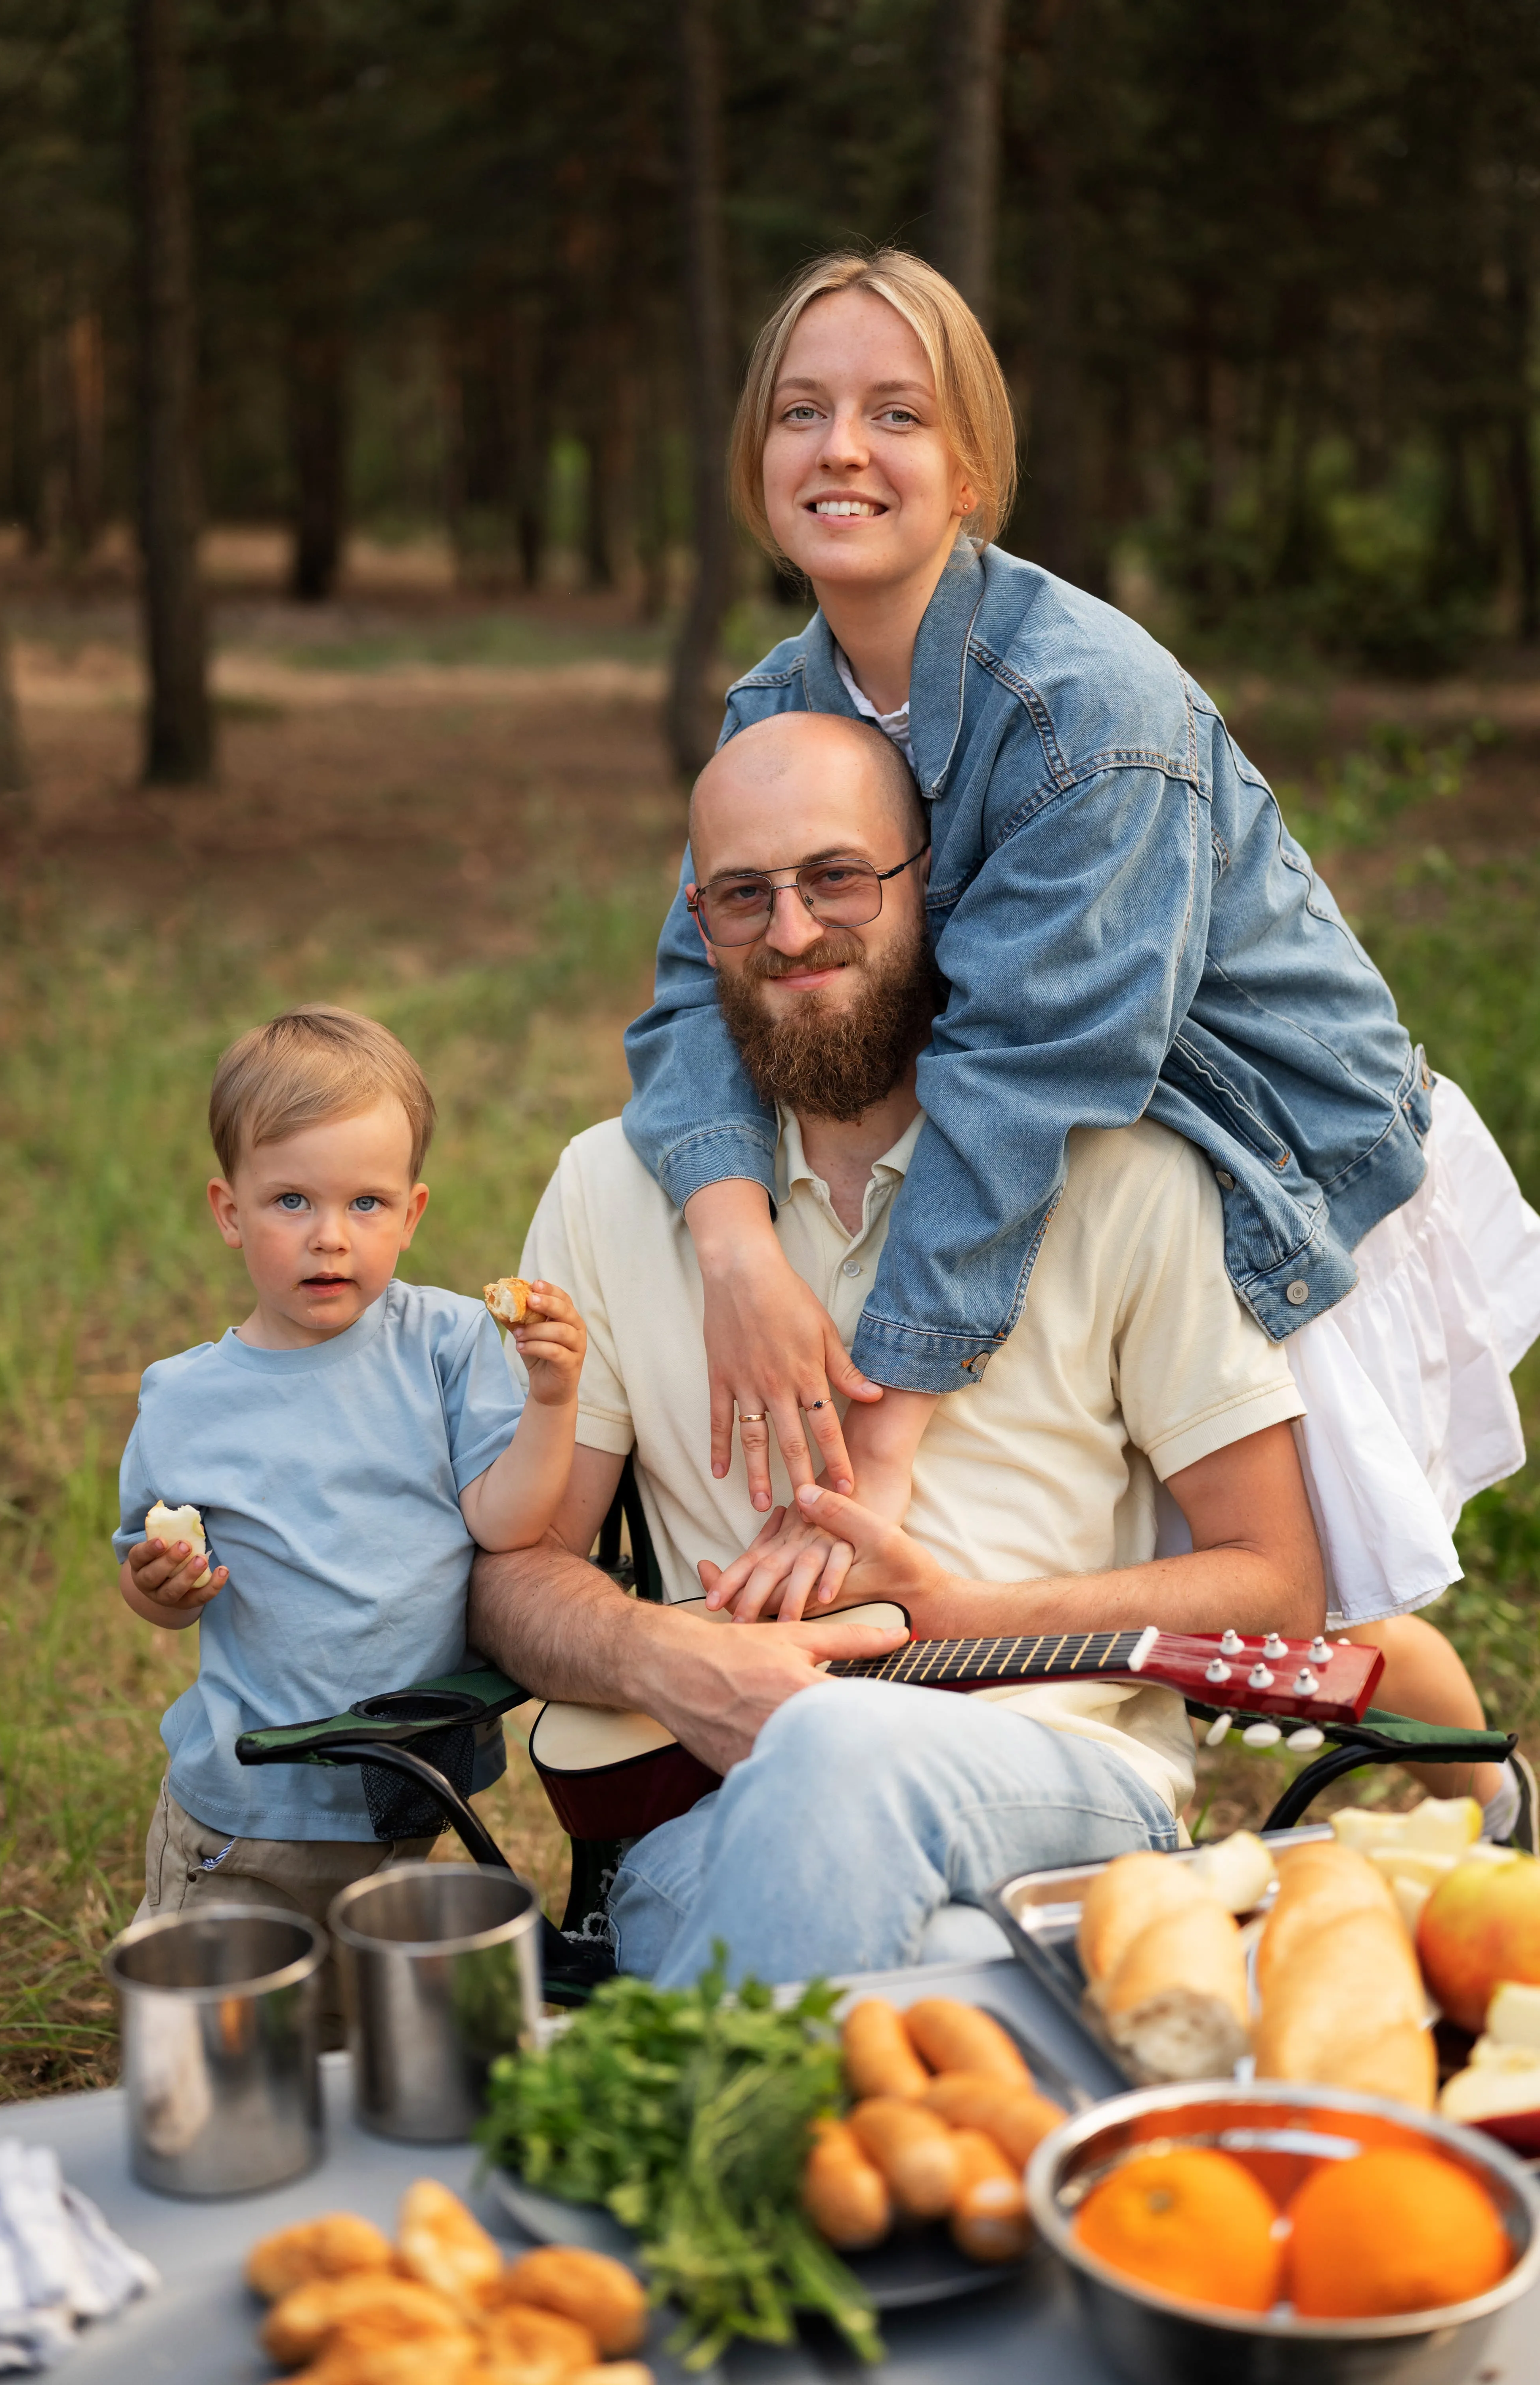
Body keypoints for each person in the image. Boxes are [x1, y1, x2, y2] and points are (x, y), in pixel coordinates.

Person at [622, 246, 1540, 1837]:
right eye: (800, 411)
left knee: (1280, 1608)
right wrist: (732, 1244)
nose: (841, 449)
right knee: (1096, 1542)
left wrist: (885, 1442)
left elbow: (1019, 1081)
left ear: (966, 465)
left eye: (894, 412)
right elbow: (686, 977)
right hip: (1083, 1148)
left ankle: (1478, 1814)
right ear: (751, 461)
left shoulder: (1078, 709)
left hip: (1262, 1153)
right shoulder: (782, 696)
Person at [470, 711, 1331, 1985]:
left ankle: (704, 2144)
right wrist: (670, 1657)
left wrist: (975, 1617)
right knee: (956, 1969)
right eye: (742, 897)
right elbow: (512, 1567)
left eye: (837, 878)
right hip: (711, 1821)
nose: (794, 931)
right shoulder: (608, 1190)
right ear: (696, 923)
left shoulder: (1125, 1177)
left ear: (932, 884)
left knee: (840, 1752)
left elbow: (1277, 1586)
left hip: (1068, 1791)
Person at [112, 1004, 586, 1970]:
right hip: (252, 1803)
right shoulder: (188, 1401)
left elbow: (505, 1521)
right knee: (228, 2011)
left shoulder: (448, 1345)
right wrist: (156, 1586)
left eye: (364, 1203)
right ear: (229, 1211)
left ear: (411, 1214)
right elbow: (147, 1571)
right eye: (292, 1201)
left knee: (363, 2010)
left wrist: (552, 1396)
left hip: (403, 1780)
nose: (331, 1237)